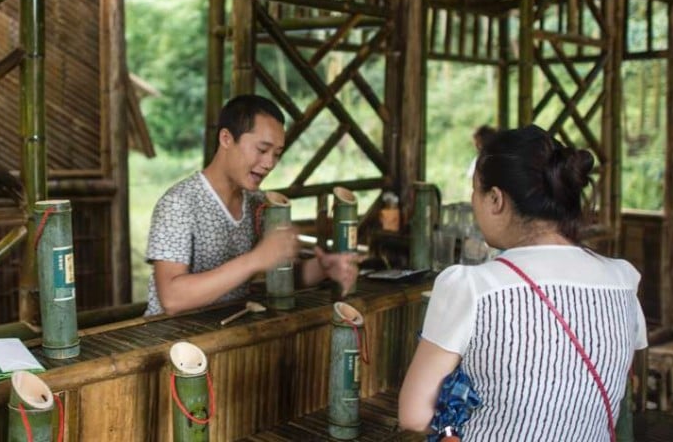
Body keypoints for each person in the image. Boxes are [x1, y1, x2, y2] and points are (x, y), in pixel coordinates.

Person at [399, 125, 647, 439]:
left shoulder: (471, 286)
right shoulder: (622, 280)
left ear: (495, 199)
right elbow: (621, 382)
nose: (474, 203)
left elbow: (414, 415)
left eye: (475, 192)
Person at [144, 94, 359, 316]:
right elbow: (171, 298)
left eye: (277, 154)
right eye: (262, 149)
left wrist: (323, 268)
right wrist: (255, 260)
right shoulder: (178, 204)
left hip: (227, 332)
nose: (269, 164)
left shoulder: (257, 203)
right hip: (171, 341)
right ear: (226, 139)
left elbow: (282, 276)